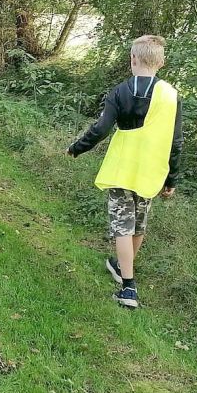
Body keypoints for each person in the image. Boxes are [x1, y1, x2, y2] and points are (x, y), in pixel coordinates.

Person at [67, 35, 183, 309]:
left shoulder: (119, 91)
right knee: (138, 224)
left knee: (122, 226)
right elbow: (176, 141)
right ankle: (121, 266)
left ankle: (128, 288)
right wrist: (171, 179)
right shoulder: (170, 95)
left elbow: (101, 128)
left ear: (132, 59)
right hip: (151, 170)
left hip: (122, 167)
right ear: (161, 62)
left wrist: (76, 148)